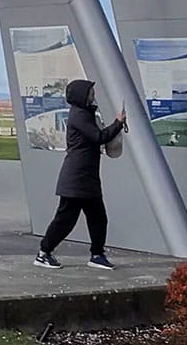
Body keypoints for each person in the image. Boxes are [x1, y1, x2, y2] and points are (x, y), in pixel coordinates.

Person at [34, 78, 127, 270]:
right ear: (81, 96)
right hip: (76, 177)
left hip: (86, 177)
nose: (93, 96)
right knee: (66, 219)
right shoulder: (79, 115)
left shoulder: (85, 114)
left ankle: (97, 255)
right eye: (90, 92)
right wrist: (118, 123)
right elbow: (98, 137)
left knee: (98, 218)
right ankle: (44, 253)